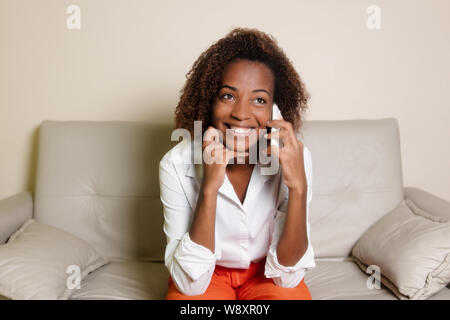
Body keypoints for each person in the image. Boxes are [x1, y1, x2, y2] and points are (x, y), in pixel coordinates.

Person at [159, 27, 315, 300]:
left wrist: (298, 188)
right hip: (208, 274)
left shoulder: (295, 159)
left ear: (275, 111)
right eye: (228, 96)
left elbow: (288, 278)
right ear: (209, 100)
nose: (241, 113)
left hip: (267, 273)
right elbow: (189, 284)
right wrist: (210, 187)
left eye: (259, 100)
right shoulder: (175, 163)